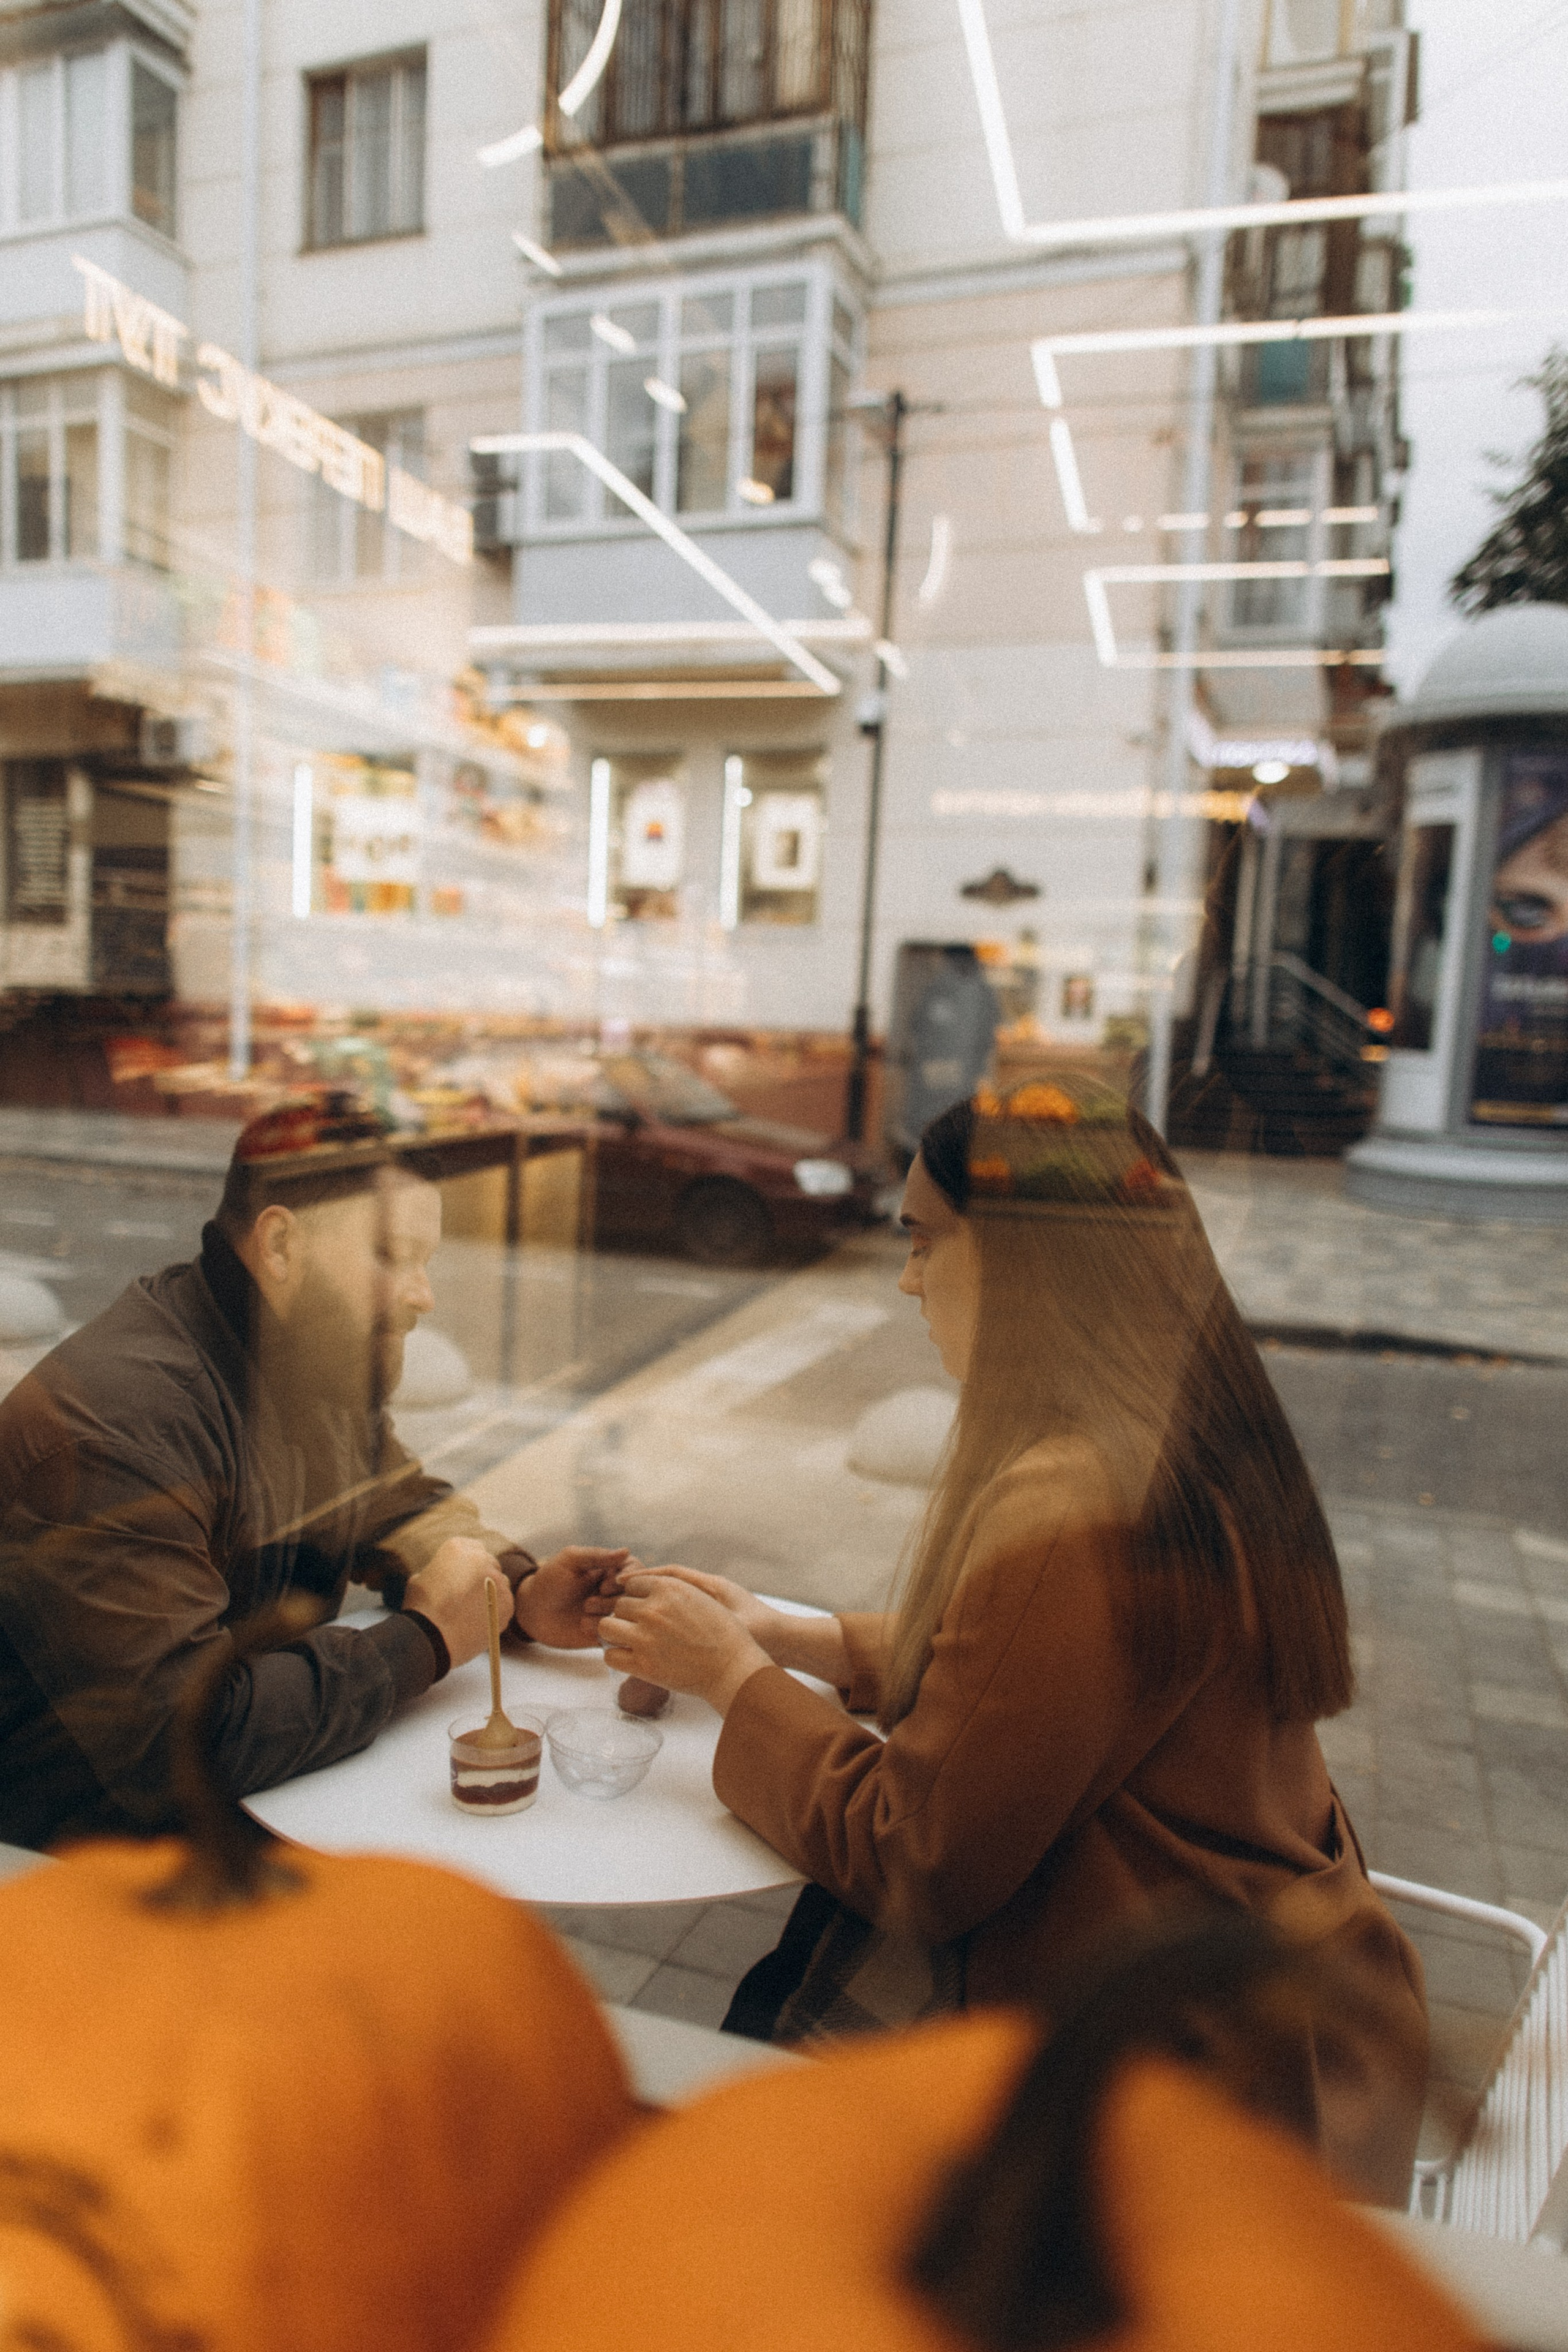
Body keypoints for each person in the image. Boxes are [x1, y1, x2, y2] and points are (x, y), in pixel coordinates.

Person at [598, 1083, 1429, 2202]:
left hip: (1154, 2091)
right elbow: (1054, 1678)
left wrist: (732, 1676)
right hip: (1286, 2022)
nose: (905, 1279)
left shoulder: (1080, 1505)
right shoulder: (1183, 1422)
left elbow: (915, 1858)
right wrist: (795, 1635)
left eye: (925, 1239)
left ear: (1032, 1262)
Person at [0, 1100, 620, 1849]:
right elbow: (181, 1742)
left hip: (247, 1804)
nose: (424, 1296)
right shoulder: (120, 1420)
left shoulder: (306, 1354)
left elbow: (398, 1506)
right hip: (80, 1860)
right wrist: (425, 1640)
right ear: (283, 1244)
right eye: (394, 1255)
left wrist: (517, 1592)